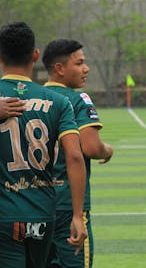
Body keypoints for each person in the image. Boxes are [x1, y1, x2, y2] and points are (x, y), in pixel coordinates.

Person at [0, 22, 87, 268]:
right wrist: (78, 216)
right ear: (35, 55)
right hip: (42, 212)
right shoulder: (57, 102)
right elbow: (75, 156)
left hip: (4, 214)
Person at [41, 39, 114, 268]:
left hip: (35, 203)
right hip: (67, 204)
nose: (86, 68)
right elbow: (91, 147)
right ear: (60, 68)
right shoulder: (77, 99)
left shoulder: (33, 98)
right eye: (80, 63)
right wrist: (107, 150)